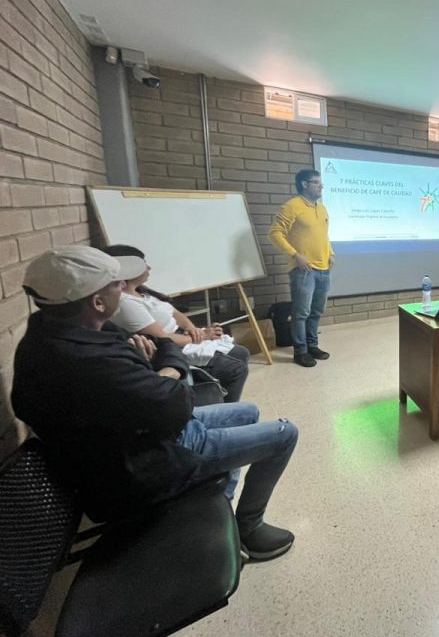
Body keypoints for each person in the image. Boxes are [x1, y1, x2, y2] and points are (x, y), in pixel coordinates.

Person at [12, 246, 299, 561]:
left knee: (248, 412)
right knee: (285, 434)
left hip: (141, 437)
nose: (123, 288)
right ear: (97, 301)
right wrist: (168, 370)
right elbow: (177, 402)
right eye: (116, 284)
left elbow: (157, 365)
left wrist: (155, 371)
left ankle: (219, 518)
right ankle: (249, 527)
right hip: (147, 463)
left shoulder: (52, 332)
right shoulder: (86, 360)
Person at [101, 244, 250, 403]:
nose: (148, 268)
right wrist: (203, 336)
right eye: (142, 264)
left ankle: (223, 399)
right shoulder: (125, 303)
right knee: (236, 370)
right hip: (171, 349)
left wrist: (193, 330)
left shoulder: (142, 292)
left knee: (241, 352)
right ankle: (225, 410)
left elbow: (176, 313)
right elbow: (162, 338)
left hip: (183, 337)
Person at [268, 169, 335, 368]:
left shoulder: (322, 208)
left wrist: (331, 252)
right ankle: (301, 351)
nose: (321, 186)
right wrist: (295, 255)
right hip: (304, 270)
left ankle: (312, 345)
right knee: (301, 313)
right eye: (316, 183)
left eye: (321, 183)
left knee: (316, 311)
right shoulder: (292, 206)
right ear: (304, 184)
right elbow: (274, 233)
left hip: (324, 267)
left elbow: (323, 235)